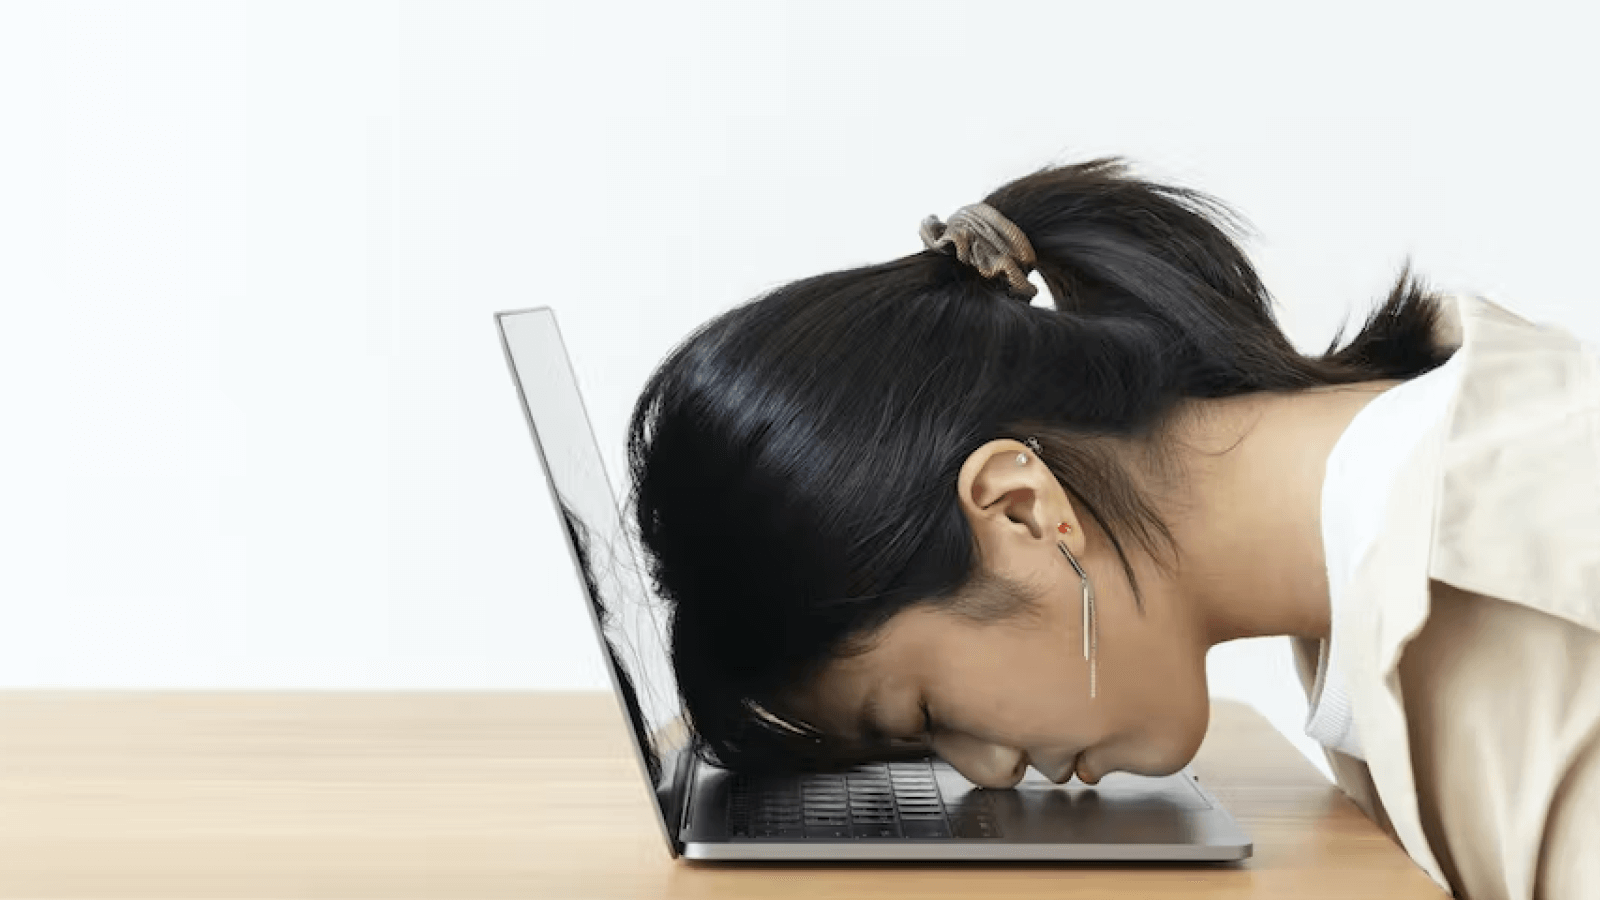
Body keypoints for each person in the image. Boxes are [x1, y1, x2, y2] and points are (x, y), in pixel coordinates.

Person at [624, 158, 1600, 898]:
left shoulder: (1530, 539)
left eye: (926, 717)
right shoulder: (1371, 560)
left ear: (1020, 511)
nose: (989, 773)